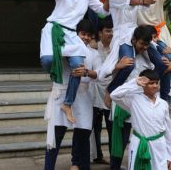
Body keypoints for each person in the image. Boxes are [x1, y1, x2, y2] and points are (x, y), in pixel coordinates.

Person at [40, 0, 109, 124]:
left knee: (78, 68)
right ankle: (55, 75)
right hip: (54, 31)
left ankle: (67, 103)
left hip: (72, 35)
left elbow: (102, 11)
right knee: (48, 60)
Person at [43, 19, 101, 170]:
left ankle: (81, 165)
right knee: (55, 139)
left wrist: (87, 72)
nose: (86, 38)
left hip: (83, 96)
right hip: (62, 95)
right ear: (76, 33)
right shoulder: (64, 48)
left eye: (89, 35)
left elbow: (100, 74)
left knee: (83, 137)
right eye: (83, 34)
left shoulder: (94, 54)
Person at [103, 25, 157, 170]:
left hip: (141, 106)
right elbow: (103, 72)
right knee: (119, 142)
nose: (144, 47)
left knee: (142, 140)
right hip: (122, 103)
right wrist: (117, 66)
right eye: (141, 44)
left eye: (147, 45)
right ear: (133, 40)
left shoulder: (148, 56)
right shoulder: (122, 51)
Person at [110, 69, 171, 170]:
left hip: (159, 145)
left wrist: (170, 155)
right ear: (143, 84)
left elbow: (168, 131)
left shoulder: (163, 104)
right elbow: (114, 95)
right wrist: (135, 82)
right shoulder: (133, 100)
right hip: (138, 143)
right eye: (151, 83)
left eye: (156, 83)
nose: (154, 86)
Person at [90, 16, 114, 165]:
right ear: (100, 33)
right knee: (95, 127)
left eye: (112, 31)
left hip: (111, 93)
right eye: (107, 31)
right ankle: (97, 155)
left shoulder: (116, 48)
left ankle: (114, 160)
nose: (110, 34)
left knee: (112, 129)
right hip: (94, 93)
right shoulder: (93, 47)